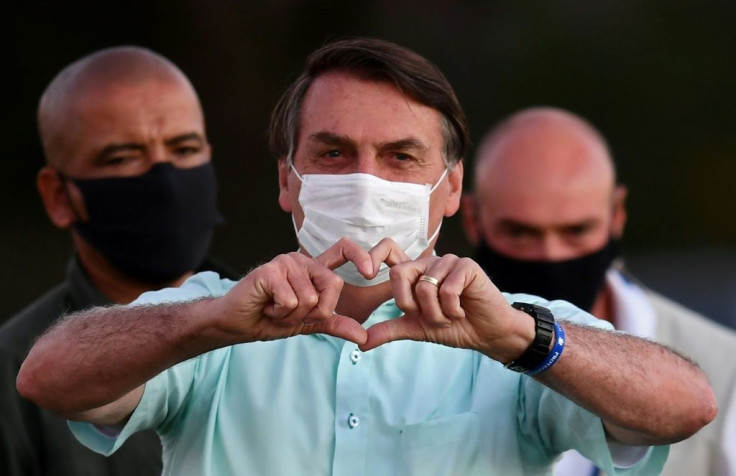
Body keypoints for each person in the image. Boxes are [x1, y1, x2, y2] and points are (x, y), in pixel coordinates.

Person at [16, 38, 717, 476]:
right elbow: (48, 377)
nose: (364, 180)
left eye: (400, 157)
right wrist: (206, 325)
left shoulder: (513, 332)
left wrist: (517, 336)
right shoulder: (216, 320)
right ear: (288, 180)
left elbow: (688, 404)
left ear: (452, 190)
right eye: (333, 153)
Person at [0, 46, 237, 476]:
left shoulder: (287, 330)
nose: (165, 181)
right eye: (123, 157)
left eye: (184, 149)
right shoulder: (14, 373)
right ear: (58, 196)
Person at [461, 106, 736, 475]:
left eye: (576, 231)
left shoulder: (726, 369)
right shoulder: (428, 356)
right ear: (473, 220)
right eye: (520, 233)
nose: (551, 255)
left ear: (616, 215)